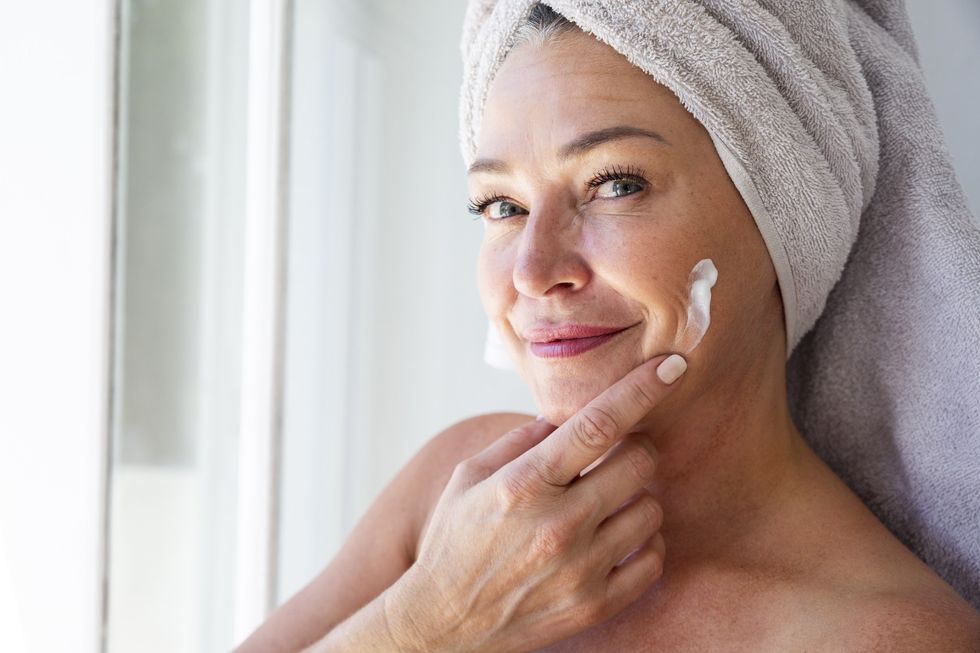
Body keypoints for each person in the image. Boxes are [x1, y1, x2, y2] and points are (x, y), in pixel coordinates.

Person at [237, 3, 980, 651]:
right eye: (501, 205)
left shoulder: (893, 638)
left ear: (788, 216)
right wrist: (423, 624)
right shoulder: (454, 492)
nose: (532, 270)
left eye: (615, 184)